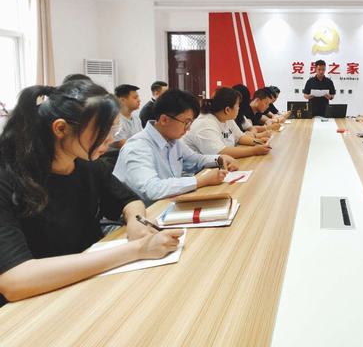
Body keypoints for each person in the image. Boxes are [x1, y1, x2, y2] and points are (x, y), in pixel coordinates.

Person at [0, 81, 182, 304]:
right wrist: (137, 250)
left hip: (86, 282)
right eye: (102, 131)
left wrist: (136, 221)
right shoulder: (9, 177)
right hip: (35, 300)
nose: (110, 139)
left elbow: (129, 200)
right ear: (60, 129)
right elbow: (15, 281)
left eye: (113, 130)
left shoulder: (87, 164)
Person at [113, 89, 238, 206]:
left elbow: (195, 159)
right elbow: (152, 189)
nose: (188, 128)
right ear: (164, 120)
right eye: (186, 122)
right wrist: (201, 180)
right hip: (145, 214)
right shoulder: (137, 147)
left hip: (168, 205)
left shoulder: (173, 140)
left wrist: (219, 159)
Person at [184, 87, 272, 158]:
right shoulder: (205, 124)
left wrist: (259, 142)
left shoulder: (227, 118)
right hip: (198, 171)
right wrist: (254, 151)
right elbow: (221, 152)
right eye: (237, 105)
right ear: (227, 110)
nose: (239, 108)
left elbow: (240, 137)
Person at [111, 84, 142, 149]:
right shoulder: (115, 120)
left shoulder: (136, 119)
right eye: (135, 98)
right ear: (122, 100)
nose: (139, 100)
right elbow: (123, 145)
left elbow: (143, 138)